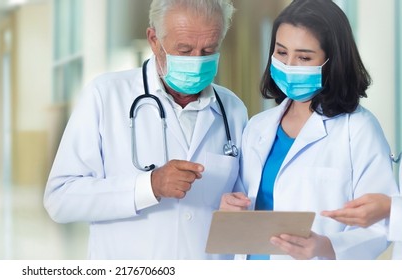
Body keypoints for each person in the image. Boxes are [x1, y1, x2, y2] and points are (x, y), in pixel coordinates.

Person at [45, 0, 247, 259]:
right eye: (184, 50)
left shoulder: (233, 109)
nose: (197, 61)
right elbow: (60, 199)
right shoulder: (106, 95)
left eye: (209, 50)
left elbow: (243, 203)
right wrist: (149, 186)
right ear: (154, 39)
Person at [220, 0, 398, 260]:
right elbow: (245, 205)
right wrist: (229, 210)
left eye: (303, 57)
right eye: (281, 53)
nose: (289, 65)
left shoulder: (358, 129)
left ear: (332, 60)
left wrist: (327, 246)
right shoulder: (258, 126)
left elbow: (380, 223)